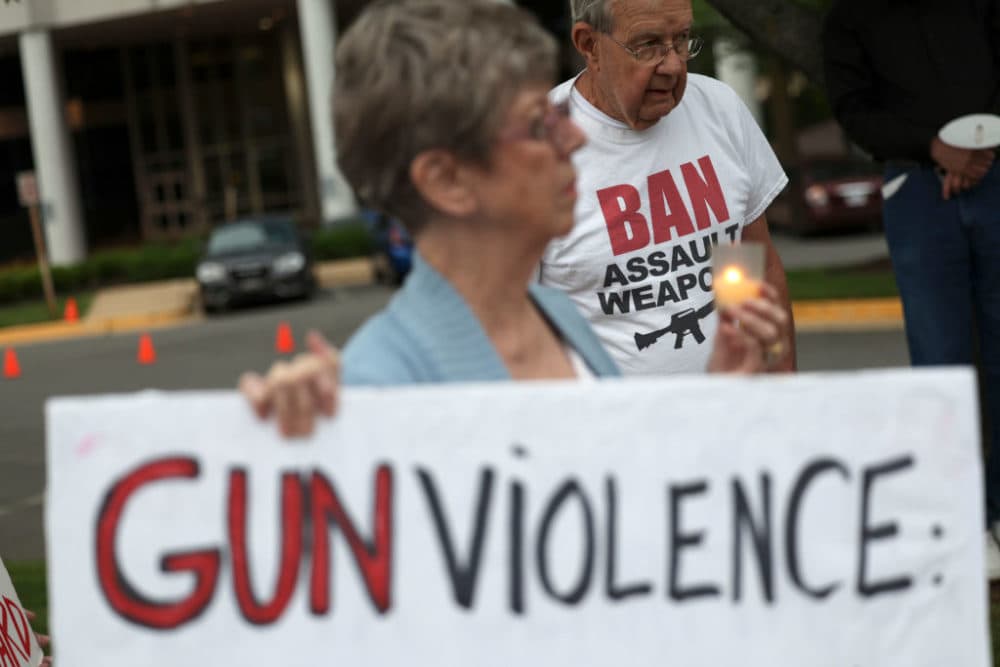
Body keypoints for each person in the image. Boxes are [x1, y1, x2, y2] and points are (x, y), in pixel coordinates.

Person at [240, 0, 790, 437]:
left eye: (679, 41)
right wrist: (310, 433)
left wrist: (729, 396)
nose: (574, 136)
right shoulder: (377, 383)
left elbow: (610, 470)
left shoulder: (557, 319)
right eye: (537, 123)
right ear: (447, 181)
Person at [822, 0, 1000, 575]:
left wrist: (977, 150)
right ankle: (959, 522)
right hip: (916, 190)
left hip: (995, 174)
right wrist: (936, 147)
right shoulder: (851, 15)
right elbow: (853, 110)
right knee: (941, 364)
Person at [536, 0, 796, 377]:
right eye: (648, 44)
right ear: (589, 45)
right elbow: (510, 324)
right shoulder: (531, 150)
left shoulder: (718, 109)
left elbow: (756, 265)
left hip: (735, 412)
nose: (674, 64)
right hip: (611, 427)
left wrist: (780, 382)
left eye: (682, 39)